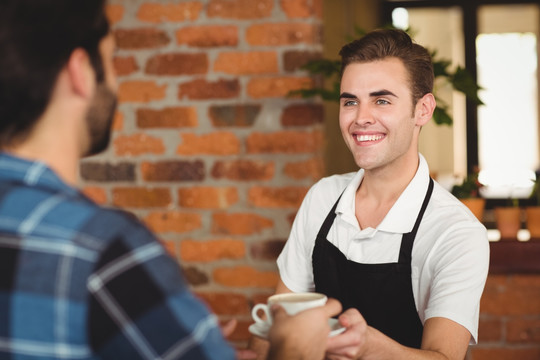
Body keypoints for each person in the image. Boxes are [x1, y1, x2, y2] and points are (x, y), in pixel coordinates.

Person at [0, 1, 341, 359]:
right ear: (80, 72)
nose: (116, 84)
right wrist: (296, 347)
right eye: (112, 62)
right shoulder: (103, 249)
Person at [275, 29, 490, 359]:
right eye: (350, 102)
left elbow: (444, 357)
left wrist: (372, 349)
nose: (361, 118)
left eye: (382, 100)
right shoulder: (322, 197)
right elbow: (277, 326)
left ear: (423, 109)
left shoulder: (456, 233)